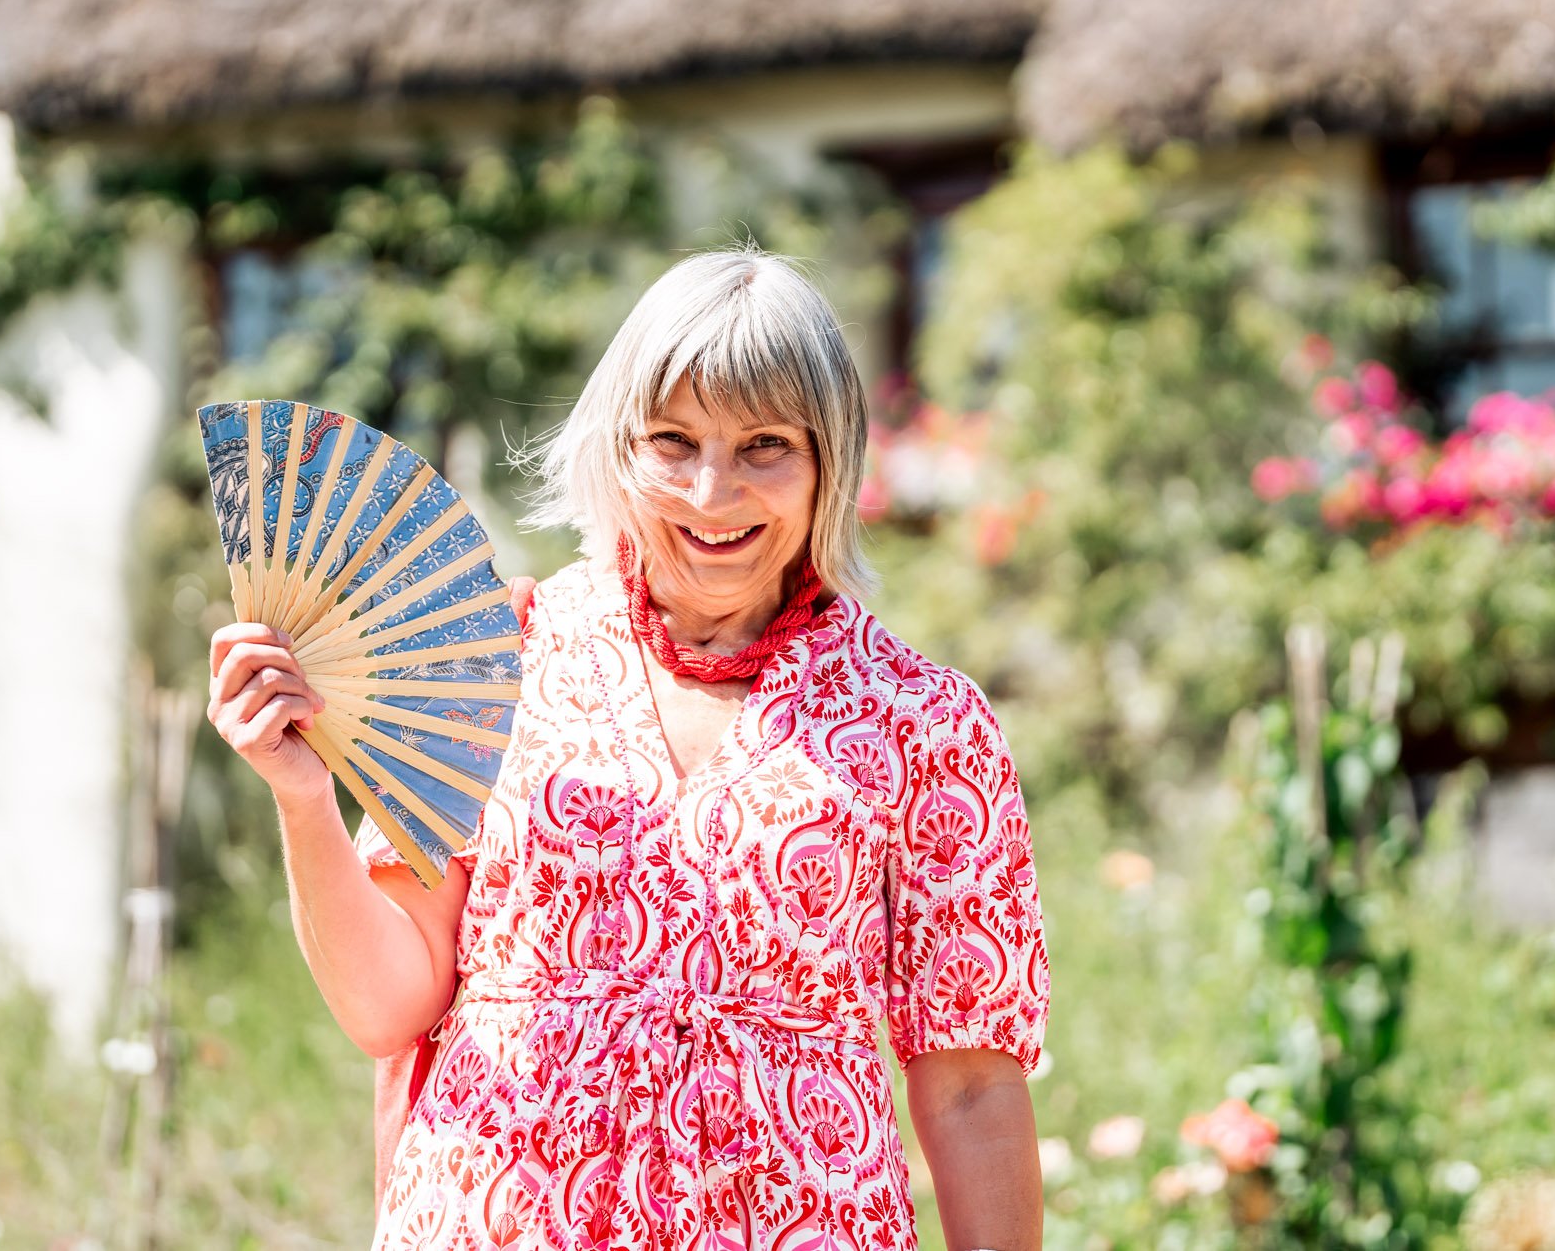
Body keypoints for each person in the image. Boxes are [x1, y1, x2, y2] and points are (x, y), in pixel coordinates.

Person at [205, 247, 1050, 1250]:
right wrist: (302, 799)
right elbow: (387, 1007)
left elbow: (967, 1093)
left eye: (765, 445)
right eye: (672, 440)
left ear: (832, 460)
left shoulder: (924, 722)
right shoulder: (497, 660)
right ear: (619, 447)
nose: (708, 491)